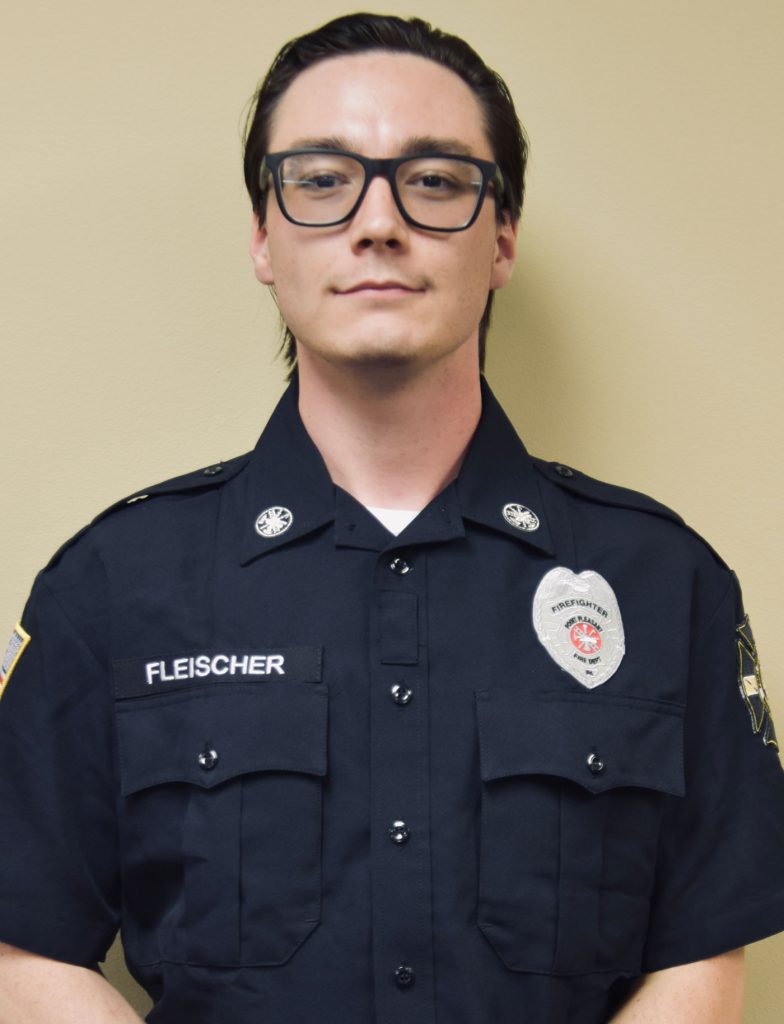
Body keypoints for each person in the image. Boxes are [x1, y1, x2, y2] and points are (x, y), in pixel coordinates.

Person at [0, 12, 782, 1023]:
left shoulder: (664, 582)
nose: (378, 223)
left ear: (501, 239)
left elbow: (702, 959)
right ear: (263, 238)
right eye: (322, 179)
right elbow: (27, 949)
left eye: (436, 181)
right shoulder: (114, 584)